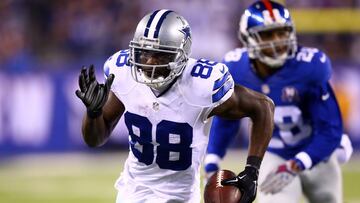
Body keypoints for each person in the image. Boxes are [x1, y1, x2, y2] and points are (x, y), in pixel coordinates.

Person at [75, 9, 274, 203]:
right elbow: (95, 140)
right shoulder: (124, 73)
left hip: (181, 197)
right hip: (132, 193)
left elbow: (263, 107)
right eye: (144, 53)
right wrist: (93, 113)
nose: (150, 63)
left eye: (160, 55)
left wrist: (252, 171)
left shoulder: (202, 85)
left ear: (181, 56)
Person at [204, 1, 352, 203]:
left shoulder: (310, 67)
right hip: (274, 154)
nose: (277, 41)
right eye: (268, 34)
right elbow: (227, 120)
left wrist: (298, 163)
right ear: (249, 38)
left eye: (282, 33)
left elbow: (329, 130)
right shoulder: (236, 69)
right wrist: (213, 160)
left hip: (314, 152)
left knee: (329, 198)